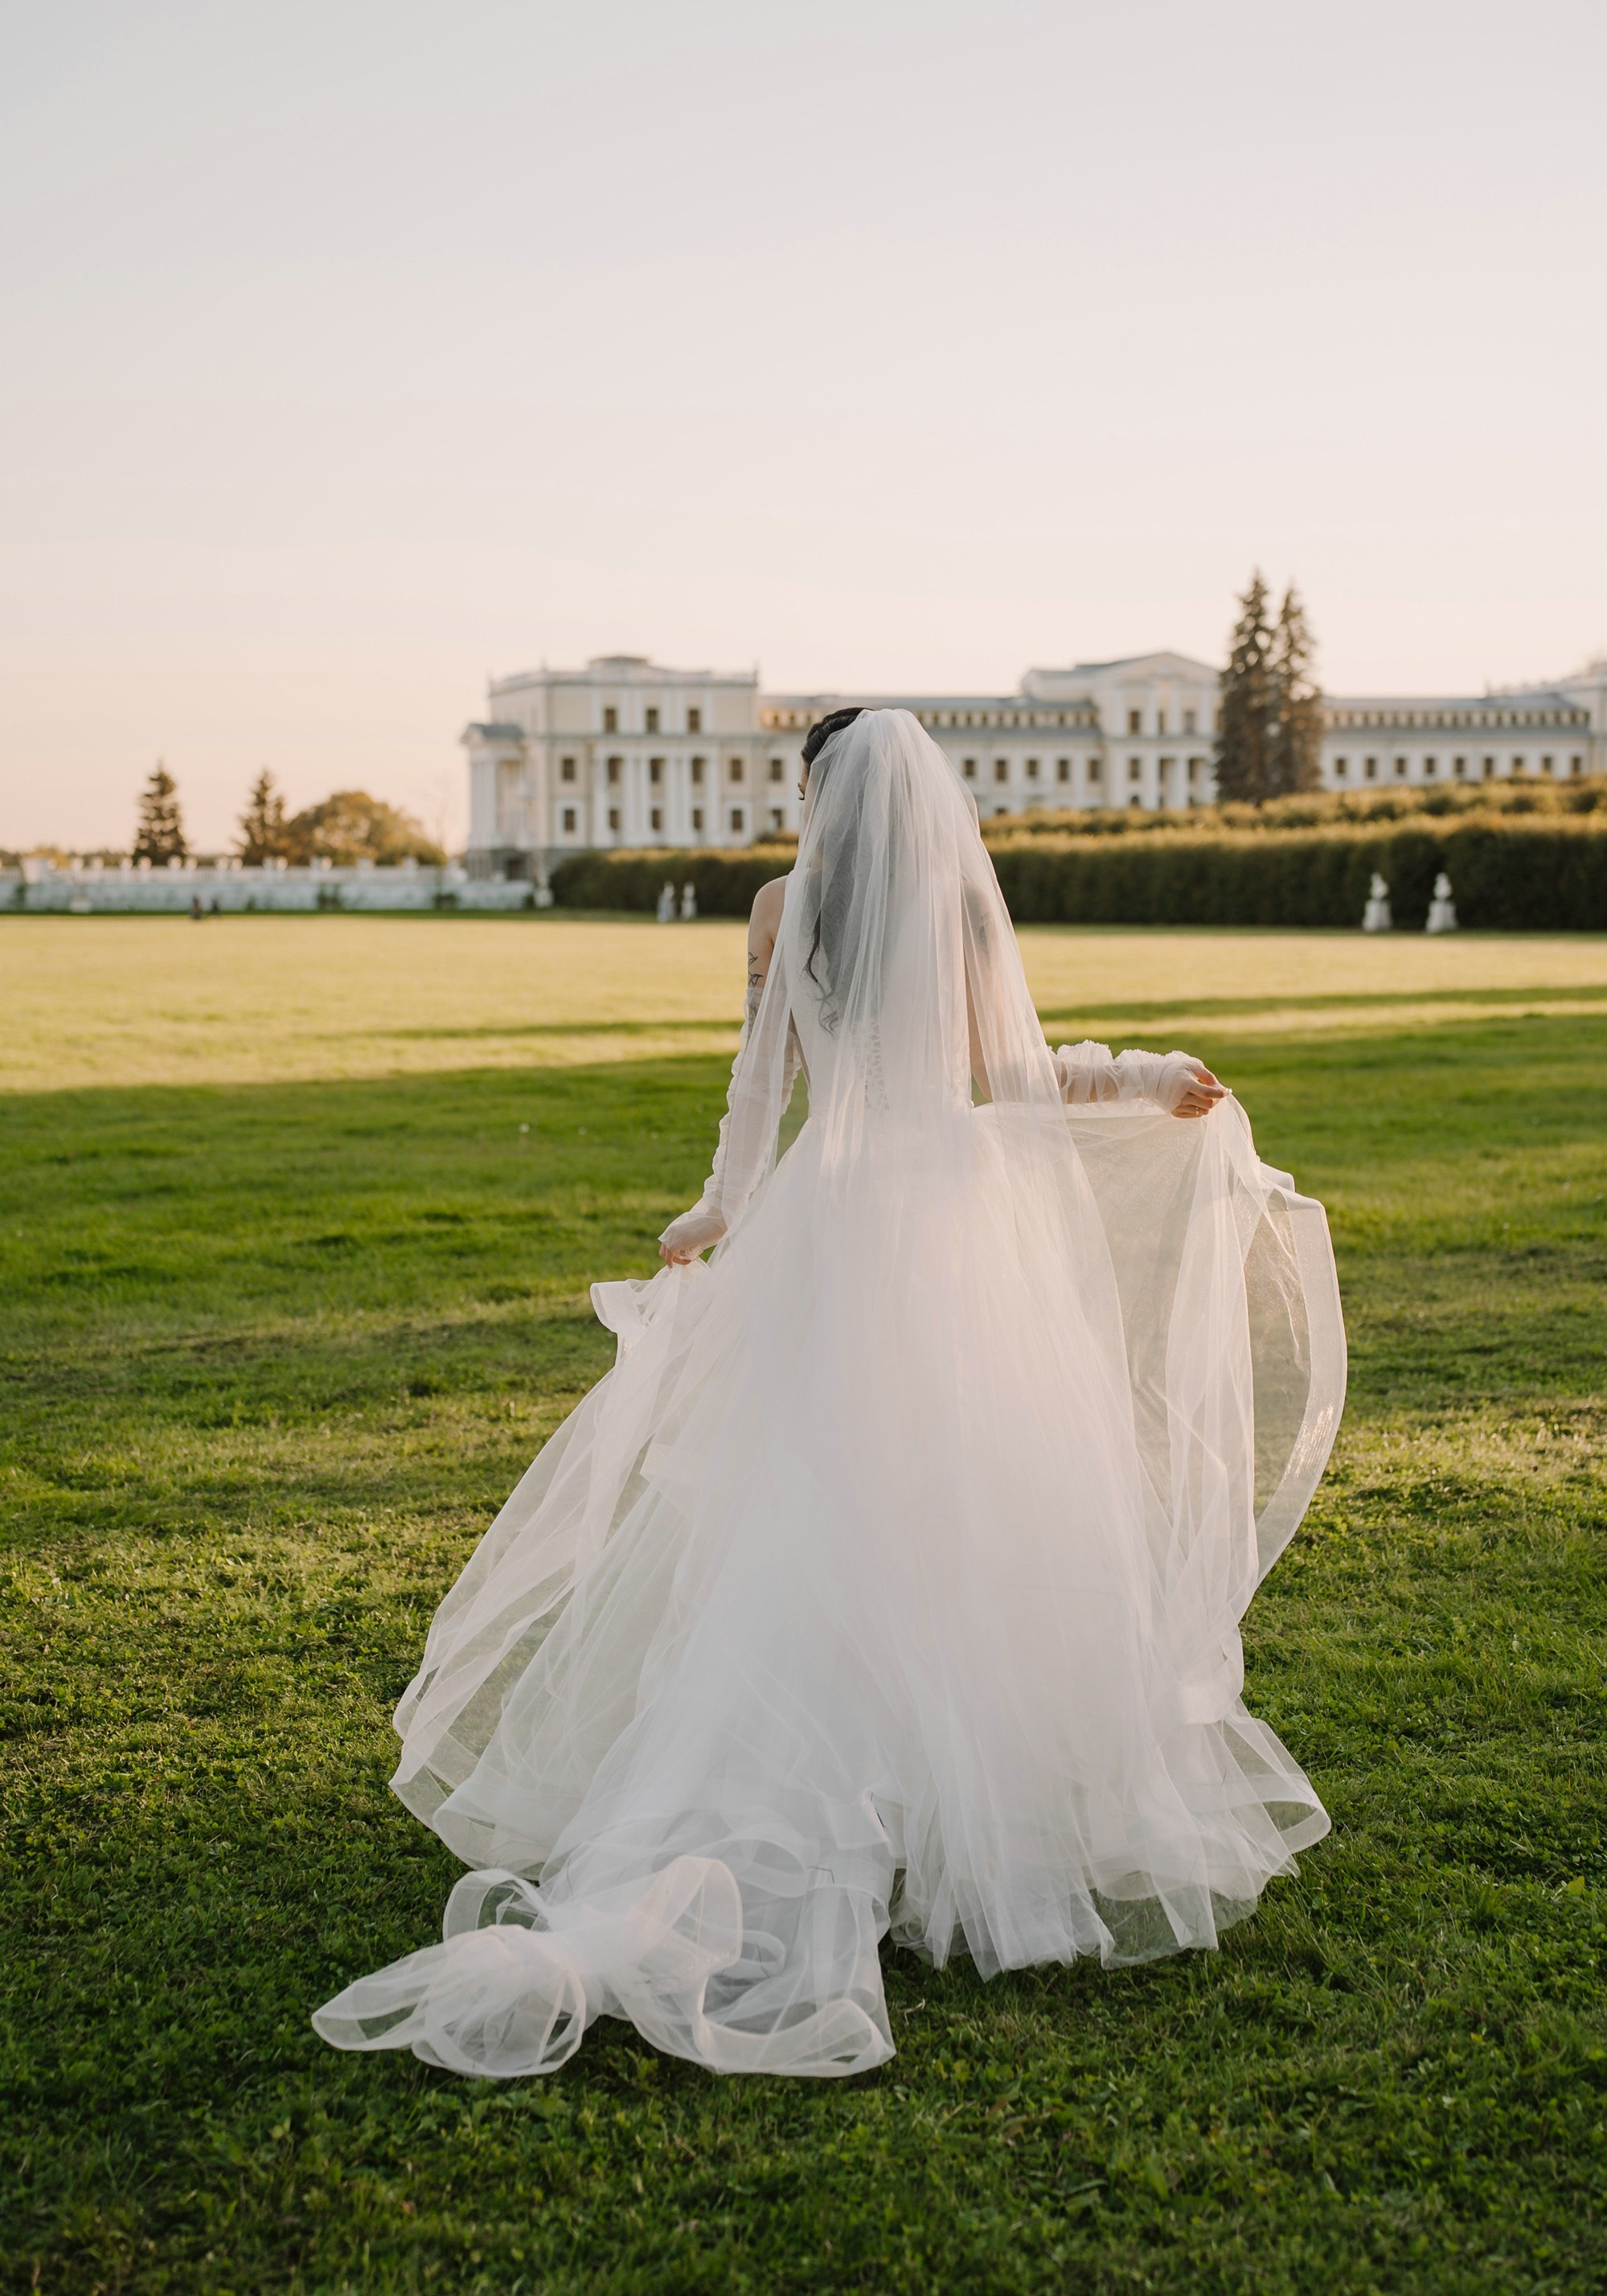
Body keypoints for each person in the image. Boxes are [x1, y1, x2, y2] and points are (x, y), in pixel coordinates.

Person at [315, 707, 1344, 2080]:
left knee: (811, 1511)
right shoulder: (955, 911)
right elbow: (1017, 1080)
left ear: (820, 796)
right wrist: (1147, 1073)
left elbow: (760, 1089)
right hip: (959, 1223)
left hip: (836, 1217)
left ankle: (812, 1803)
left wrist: (720, 1210)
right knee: (963, 1511)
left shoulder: (776, 908)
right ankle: (945, 1811)